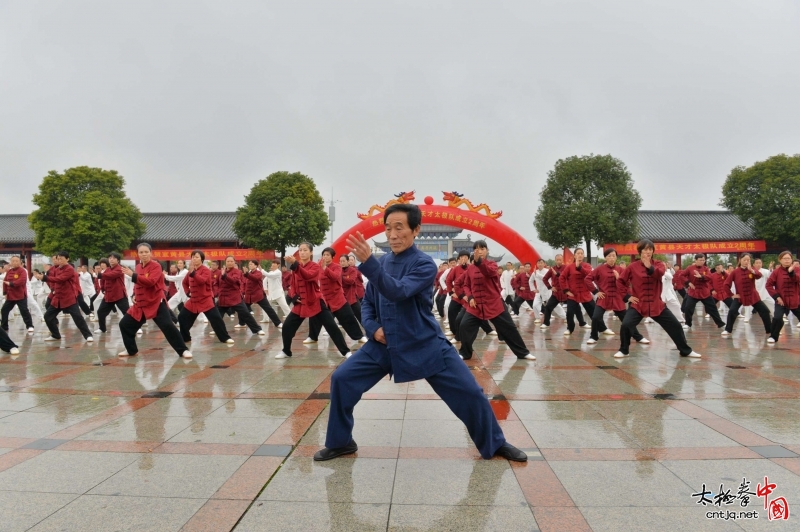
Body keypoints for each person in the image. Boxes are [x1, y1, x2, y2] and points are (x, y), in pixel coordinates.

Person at [314, 203, 528, 463]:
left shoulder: (423, 265)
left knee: (470, 392)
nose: (392, 234)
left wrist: (369, 262)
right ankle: (340, 442)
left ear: (416, 230)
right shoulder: (381, 262)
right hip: (384, 344)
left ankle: (495, 443)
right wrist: (372, 328)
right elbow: (368, 302)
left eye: (399, 228)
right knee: (342, 379)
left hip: (423, 342)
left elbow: (398, 290)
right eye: (388, 228)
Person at [614, 240, 701, 358]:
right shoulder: (632, 267)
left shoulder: (658, 264)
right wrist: (627, 296)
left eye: (650, 249)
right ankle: (624, 350)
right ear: (640, 251)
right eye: (645, 249)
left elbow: (659, 273)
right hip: (639, 304)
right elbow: (620, 281)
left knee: (675, 326)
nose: (648, 252)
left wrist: (649, 265)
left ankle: (685, 350)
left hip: (656, 304)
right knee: (626, 325)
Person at [457, 240, 535, 361]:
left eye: (482, 249)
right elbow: (466, 285)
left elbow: (488, 272)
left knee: (509, 328)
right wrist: (470, 297)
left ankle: (522, 352)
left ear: (487, 251)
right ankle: (465, 353)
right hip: (476, 306)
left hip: (493, 304)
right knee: (464, 325)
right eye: (477, 249)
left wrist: (479, 262)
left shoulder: (492, 264)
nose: (480, 251)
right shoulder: (470, 269)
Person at [276, 243, 352, 359]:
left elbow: (307, 275)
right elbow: (292, 286)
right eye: (300, 250)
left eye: (305, 250)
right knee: (287, 327)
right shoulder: (296, 268)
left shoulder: (315, 267)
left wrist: (294, 263)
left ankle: (345, 351)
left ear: (311, 252)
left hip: (315, 302)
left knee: (331, 326)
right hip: (301, 304)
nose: (302, 252)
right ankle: (286, 351)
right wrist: (295, 297)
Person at [117, 243, 190, 358]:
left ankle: (183, 350)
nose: (144, 254)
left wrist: (132, 275)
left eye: (146, 252)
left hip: (156, 302)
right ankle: (131, 350)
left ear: (150, 253)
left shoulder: (156, 266)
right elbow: (137, 284)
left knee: (167, 326)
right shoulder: (138, 267)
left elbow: (150, 282)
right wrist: (134, 295)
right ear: (138, 254)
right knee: (124, 324)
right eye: (141, 252)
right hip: (141, 304)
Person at [585, 248, 647, 345]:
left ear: (616, 257)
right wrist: (596, 291)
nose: (611, 258)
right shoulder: (599, 269)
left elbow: (627, 284)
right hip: (604, 298)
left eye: (613, 256)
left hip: (618, 299)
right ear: (605, 257)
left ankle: (638, 337)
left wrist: (619, 278)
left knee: (627, 320)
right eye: (609, 256)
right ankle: (593, 337)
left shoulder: (621, 270)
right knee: (596, 317)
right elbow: (587, 279)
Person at [307, 248, 365, 344]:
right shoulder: (319, 267)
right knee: (315, 316)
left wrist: (326, 268)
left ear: (333, 257)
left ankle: (359, 336)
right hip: (324, 298)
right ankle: (312, 336)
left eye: (327, 255)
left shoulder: (337, 267)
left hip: (337, 297)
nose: (325, 257)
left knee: (348, 317)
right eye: (324, 255)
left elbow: (335, 277)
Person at [177, 250, 234, 344]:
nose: (194, 259)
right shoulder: (191, 271)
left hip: (205, 299)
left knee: (216, 319)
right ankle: (185, 338)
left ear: (202, 259)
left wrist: (193, 274)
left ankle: (225, 338)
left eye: (197, 257)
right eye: (193, 257)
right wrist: (187, 292)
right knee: (181, 317)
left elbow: (202, 281)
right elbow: (185, 283)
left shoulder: (206, 270)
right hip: (193, 300)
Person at [42, 251, 94, 343]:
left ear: (67, 259)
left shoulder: (69, 269)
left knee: (78, 317)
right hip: (57, 298)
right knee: (47, 316)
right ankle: (55, 335)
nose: (59, 261)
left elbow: (60, 279)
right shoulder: (56, 270)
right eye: (58, 259)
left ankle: (88, 335)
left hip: (69, 298)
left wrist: (44, 278)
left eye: (61, 259)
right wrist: (52, 289)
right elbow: (53, 281)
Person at [721, 253, 772, 337]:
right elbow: (726, 284)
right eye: (744, 260)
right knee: (732, 311)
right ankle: (728, 330)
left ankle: (769, 330)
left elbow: (759, 276)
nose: (746, 262)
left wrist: (752, 270)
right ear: (740, 260)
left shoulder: (752, 269)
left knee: (765, 311)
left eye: (748, 260)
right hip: (740, 296)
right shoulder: (735, 272)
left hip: (753, 295)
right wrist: (732, 295)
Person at [217, 256, 265, 336]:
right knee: (217, 316)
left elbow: (234, 281)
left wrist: (225, 276)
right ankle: (217, 329)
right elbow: (217, 284)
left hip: (234, 298)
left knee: (245, 313)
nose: (229, 263)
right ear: (225, 262)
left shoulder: (237, 272)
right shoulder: (222, 271)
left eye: (231, 261)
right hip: (223, 297)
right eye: (228, 261)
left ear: (234, 262)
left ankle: (257, 329)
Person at [560, 248, 600, 336]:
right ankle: (570, 329)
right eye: (578, 253)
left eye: (582, 253)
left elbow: (590, 274)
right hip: (573, 294)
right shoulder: (569, 267)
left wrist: (580, 267)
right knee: (570, 313)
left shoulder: (587, 265)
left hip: (585, 294)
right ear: (574, 255)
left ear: (583, 255)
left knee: (594, 313)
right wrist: (566, 290)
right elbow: (562, 277)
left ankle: (600, 328)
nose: (580, 255)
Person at [680, 253, 725, 330]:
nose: (702, 261)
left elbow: (709, 277)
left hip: (705, 292)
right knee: (688, 308)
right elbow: (681, 275)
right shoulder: (690, 268)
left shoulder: (706, 269)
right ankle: (688, 323)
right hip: (693, 292)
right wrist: (688, 283)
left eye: (703, 260)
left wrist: (701, 276)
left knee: (713, 308)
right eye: (700, 260)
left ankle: (720, 323)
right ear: (696, 260)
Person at [765, 251, 800, 344]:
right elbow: (768, 285)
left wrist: (791, 272)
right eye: (785, 258)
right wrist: (777, 297)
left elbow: (797, 279)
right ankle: (773, 336)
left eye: (789, 258)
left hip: (795, 299)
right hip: (781, 300)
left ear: (792, 259)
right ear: (780, 260)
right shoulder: (776, 272)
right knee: (777, 318)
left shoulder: (797, 270)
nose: (787, 260)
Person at [94, 253, 131, 334]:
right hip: (109, 295)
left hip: (119, 295)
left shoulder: (120, 269)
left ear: (118, 260)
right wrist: (103, 288)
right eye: (110, 258)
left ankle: (136, 327)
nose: (111, 259)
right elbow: (104, 279)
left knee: (127, 312)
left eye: (114, 258)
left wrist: (99, 274)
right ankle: (102, 328)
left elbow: (110, 276)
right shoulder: (107, 269)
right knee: (100, 312)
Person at [243, 260, 283, 327]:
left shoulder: (258, 273)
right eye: (249, 264)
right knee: (243, 309)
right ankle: (241, 323)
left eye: (252, 264)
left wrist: (247, 274)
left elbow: (255, 278)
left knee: (268, 309)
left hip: (258, 295)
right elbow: (245, 283)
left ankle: (278, 323)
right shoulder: (248, 273)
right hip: (249, 295)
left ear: (256, 265)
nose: (250, 265)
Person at [1, 256, 34, 333]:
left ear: (20, 262)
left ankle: (30, 326)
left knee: (24, 311)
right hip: (10, 295)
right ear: (10, 262)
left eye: (16, 261)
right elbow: (5, 282)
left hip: (20, 295)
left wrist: (11, 283)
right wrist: (5, 293)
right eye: (13, 261)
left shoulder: (23, 271)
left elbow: (21, 281)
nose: (15, 262)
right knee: (4, 310)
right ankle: (4, 326)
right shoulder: (9, 271)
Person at [540, 254, 570, 329]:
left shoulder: (566, 268)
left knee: (573, 308)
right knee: (548, 307)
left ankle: (578, 322)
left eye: (560, 260)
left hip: (566, 292)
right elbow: (544, 278)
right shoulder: (552, 269)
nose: (559, 261)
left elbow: (566, 277)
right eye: (557, 260)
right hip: (556, 292)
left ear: (562, 260)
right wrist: (550, 287)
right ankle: (546, 323)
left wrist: (557, 274)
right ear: (555, 260)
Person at [341, 255, 364, 324]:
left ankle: (370, 329)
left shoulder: (355, 270)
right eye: (341, 261)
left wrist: (341, 278)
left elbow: (352, 281)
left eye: (351, 260)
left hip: (355, 294)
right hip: (343, 296)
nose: (342, 263)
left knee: (360, 313)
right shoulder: (339, 270)